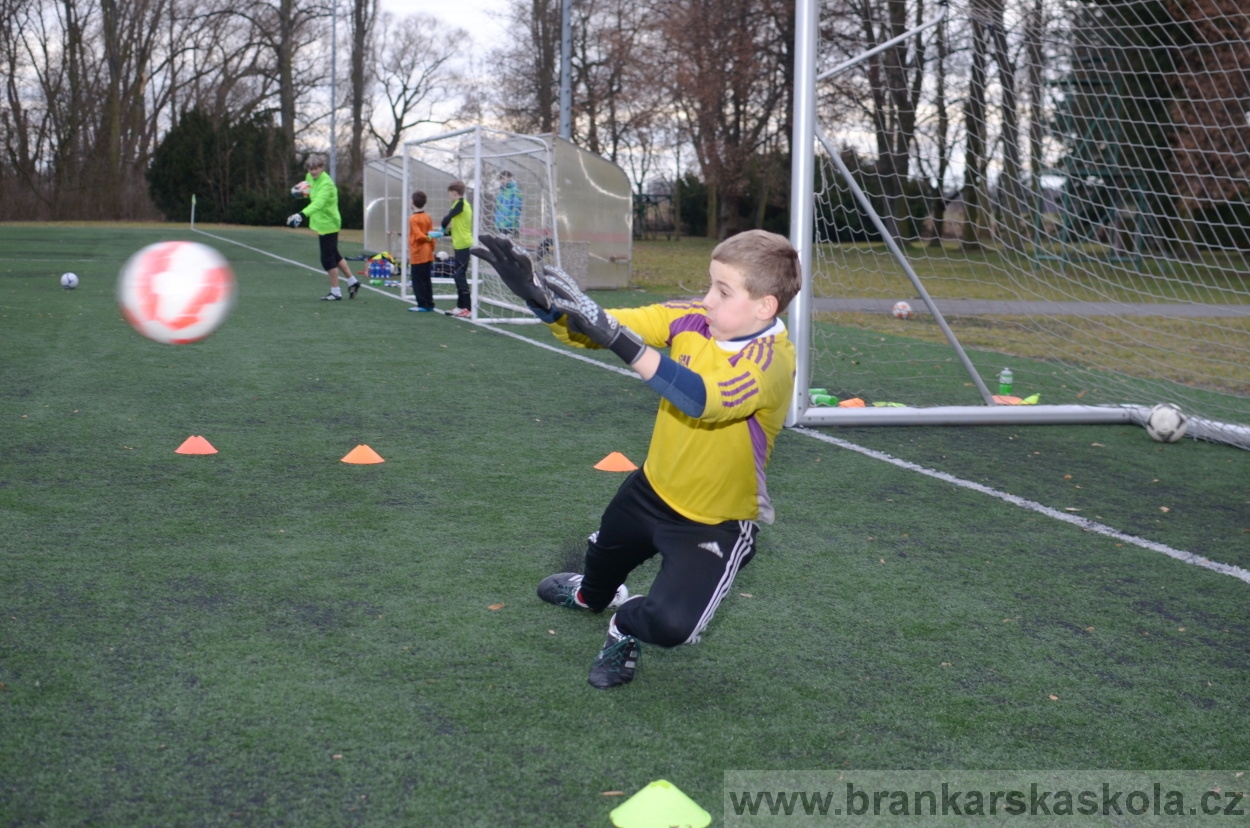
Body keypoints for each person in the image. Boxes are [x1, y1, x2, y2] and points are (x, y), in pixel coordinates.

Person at [470, 229, 801, 689]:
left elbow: (703, 400)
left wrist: (620, 341)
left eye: (723, 291)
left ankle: (624, 625)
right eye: (710, 284)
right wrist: (541, 301)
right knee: (596, 582)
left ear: (765, 306)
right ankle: (591, 596)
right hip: (649, 490)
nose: (706, 300)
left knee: (672, 626)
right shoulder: (692, 317)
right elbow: (602, 327)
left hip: (714, 521)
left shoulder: (771, 362)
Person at [286, 155, 360, 301]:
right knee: (335, 255)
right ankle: (353, 282)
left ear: (322, 168)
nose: (313, 172)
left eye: (316, 169)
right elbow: (310, 190)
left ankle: (336, 292)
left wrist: (301, 215)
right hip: (321, 222)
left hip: (329, 223)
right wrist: (300, 191)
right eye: (311, 169)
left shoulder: (327, 184)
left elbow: (319, 203)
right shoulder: (309, 177)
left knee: (327, 259)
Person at [439, 180, 474, 318]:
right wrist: (443, 233)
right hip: (458, 244)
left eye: (450, 194)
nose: (449, 197)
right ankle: (460, 307)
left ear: (454, 193)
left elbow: (446, 219)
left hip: (464, 244)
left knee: (460, 275)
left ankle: (468, 308)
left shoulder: (461, 203)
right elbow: (457, 227)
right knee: (457, 276)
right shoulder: (458, 205)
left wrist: (442, 227)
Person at [407, 190, 441, 312]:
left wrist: (428, 238)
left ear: (412, 202)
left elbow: (419, 236)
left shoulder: (413, 219)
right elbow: (431, 234)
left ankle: (422, 304)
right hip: (427, 253)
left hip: (418, 253)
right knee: (426, 279)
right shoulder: (427, 217)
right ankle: (429, 303)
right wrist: (431, 247)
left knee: (418, 280)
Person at [494, 170, 522, 236]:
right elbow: (498, 209)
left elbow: (516, 210)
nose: (503, 181)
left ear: (510, 178)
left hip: (510, 227)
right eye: (501, 179)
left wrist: (507, 223)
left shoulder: (515, 191)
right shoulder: (501, 192)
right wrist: (497, 223)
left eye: (504, 178)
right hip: (500, 226)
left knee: (506, 241)